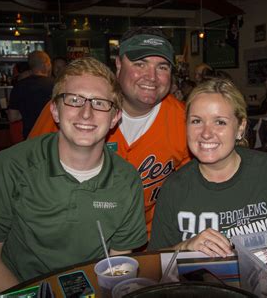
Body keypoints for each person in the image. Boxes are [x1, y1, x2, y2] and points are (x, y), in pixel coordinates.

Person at [0, 57, 147, 292]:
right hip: (19, 290)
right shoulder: (13, 165)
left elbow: (118, 266)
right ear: (55, 110)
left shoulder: (127, 180)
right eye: (74, 100)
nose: (86, 114)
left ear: (115, 117)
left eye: (100, 103)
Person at [29, 28, 191, 237]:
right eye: (140, 64)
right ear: (118, 64)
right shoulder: (72, 109)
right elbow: (28, 169)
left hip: (144, 239)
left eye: (162, 67)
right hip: (66, 236)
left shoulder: (186, 121)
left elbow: (194, 186)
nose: (151, 77)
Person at [148, 79, 267, 256]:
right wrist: (184, 247)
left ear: (240, 127)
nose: (206, 133)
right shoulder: (175, 188)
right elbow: (155, 266)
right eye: (196, 121)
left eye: (220, 122)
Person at [8, 50, 54, 139]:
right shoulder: (56, 84)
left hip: (30, 136)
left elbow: (12, 117)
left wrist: (28, 112)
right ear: (46, 65)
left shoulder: (19, 85)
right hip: (52, 136)